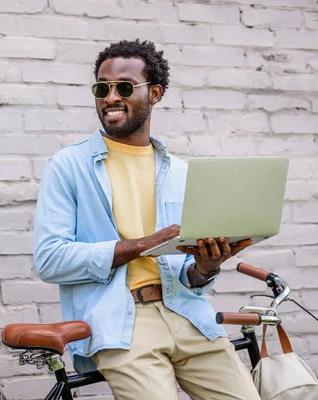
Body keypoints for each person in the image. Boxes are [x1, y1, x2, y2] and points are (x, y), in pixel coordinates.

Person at [33, 39, 261, 400]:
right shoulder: (67, 168)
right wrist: (138, 247)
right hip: (123, 322)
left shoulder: (182, 173)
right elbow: (49, 260)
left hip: (190, 313)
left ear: (154, 94)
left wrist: (204, 267)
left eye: (124, 87)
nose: (110, 97)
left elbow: (191, 273)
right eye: (101, 88)